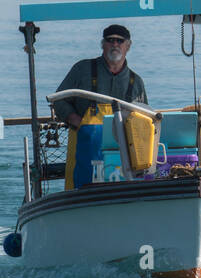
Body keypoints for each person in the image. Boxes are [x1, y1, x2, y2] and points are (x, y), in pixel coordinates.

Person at [53, 24, 148, 188]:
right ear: (102, 44)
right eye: (110, 40)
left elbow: (144, 119)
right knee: (79, 193)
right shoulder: (82, 69)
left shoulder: (136, 82)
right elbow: (58, 100)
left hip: (123, 160)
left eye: (120, 41)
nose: (115, 44)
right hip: (83, 156)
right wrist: (75, 119)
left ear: (128, 46)